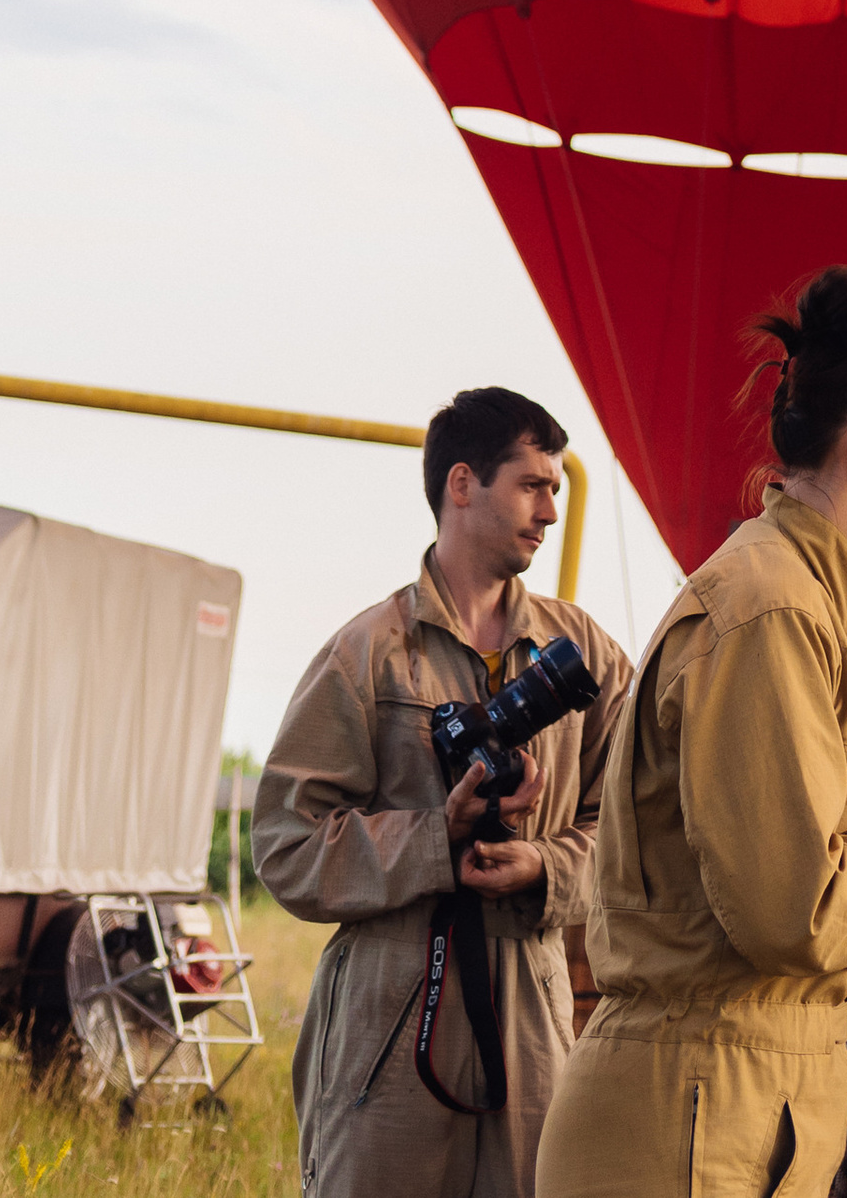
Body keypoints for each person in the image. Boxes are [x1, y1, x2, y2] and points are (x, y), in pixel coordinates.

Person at [535, 270, 847, 1198]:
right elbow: (797, 916)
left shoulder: (793, 601)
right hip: (695, 1122)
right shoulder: (774, 610)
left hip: (726, 1108)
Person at [255, 385, 628, 1198]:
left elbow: (639, 829)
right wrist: (434, 839)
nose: (551, 511)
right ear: (463, 484)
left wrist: (545, 866)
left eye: (557, 489)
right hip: (391, 1016)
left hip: (533, 1013)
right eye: (533, 485)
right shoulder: (368, 655)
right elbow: (285, 845)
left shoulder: (586, 655)